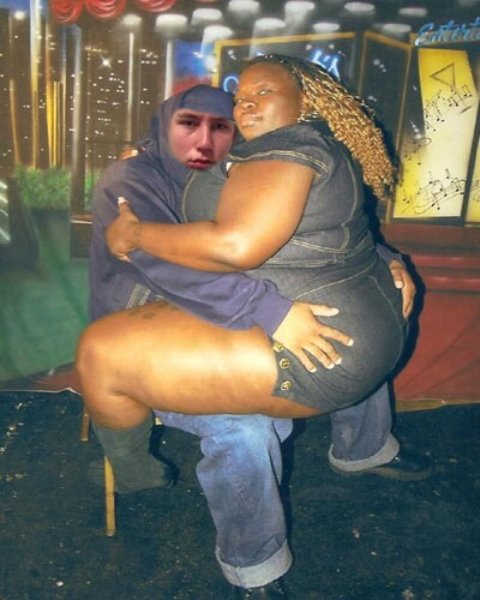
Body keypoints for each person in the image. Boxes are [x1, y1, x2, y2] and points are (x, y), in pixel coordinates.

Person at [80, 66, 429, 599]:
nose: (205, 137)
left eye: (220, 123)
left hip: (239, 301)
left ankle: (364, 447)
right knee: (243, 426)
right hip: (151, 306)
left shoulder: (252, 158)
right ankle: (251, 561)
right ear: (164, 125)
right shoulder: (129, 182)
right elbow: (167, 268)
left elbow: (314, 226)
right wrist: (271, 312)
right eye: (188, 124)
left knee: (336, 312)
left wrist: (382, 259)